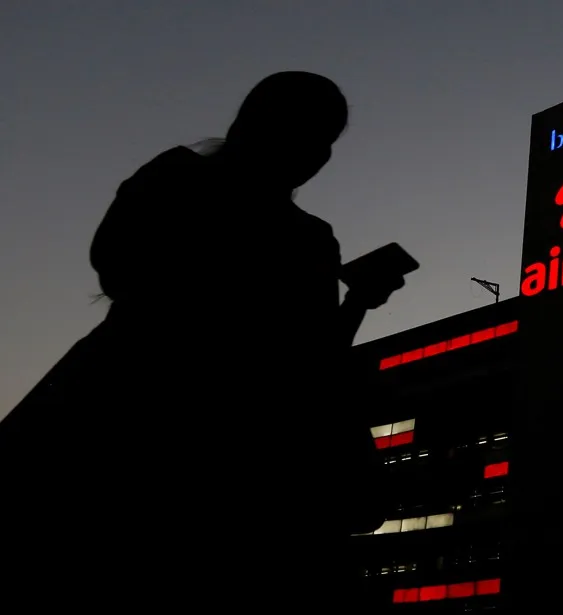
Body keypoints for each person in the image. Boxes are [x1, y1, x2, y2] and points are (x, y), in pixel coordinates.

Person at [0, 72, 402, 606]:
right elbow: (306, 363)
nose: (318, 152)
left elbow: (309, 359)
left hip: (141, 408)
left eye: (327, 139)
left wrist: (356, 302)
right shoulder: (277, 223)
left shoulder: (296, 229)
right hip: (185, 426)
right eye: (311, 134)